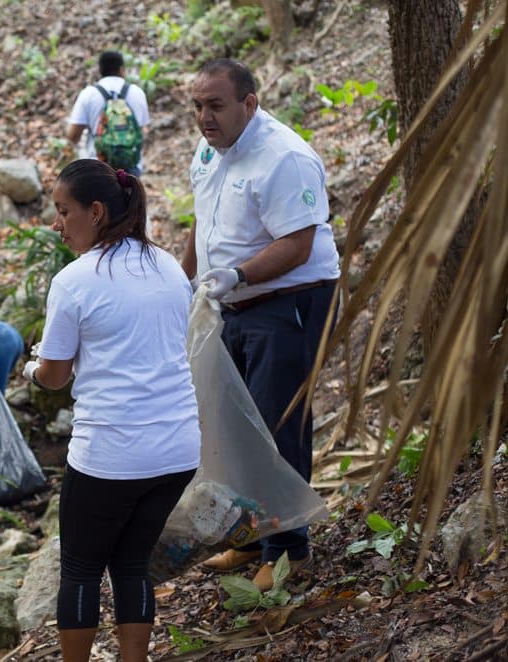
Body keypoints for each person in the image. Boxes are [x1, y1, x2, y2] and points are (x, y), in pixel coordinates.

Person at [23, 159, 200, 662]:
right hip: (177, 449)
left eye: (63, 212)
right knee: (131, 564)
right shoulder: (167, 265)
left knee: (80, 568)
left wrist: (32, 370)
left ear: (96, 212)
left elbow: (55, 376)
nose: (56, 223)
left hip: (111, 453)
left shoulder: (76, 280)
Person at [182, 58, 340, 590]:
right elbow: (201, 220)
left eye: (216, 106)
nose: (205, 117)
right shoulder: (210, 149)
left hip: (287, 299)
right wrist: (186, 280)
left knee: (277, 422)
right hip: (230, 302)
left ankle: (290, 550)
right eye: (198, 106)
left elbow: (298, 246)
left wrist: (239, 274)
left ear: (249, 103)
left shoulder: (285, 157)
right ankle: (250, 537)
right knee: (233, 425)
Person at [66, 50, 150, 177]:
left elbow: (73, 136)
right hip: (130, 169)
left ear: (100, 70)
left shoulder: (88, 94)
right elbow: (142, 132)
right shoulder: (137, 93)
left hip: (97, 167)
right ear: (122, 69)